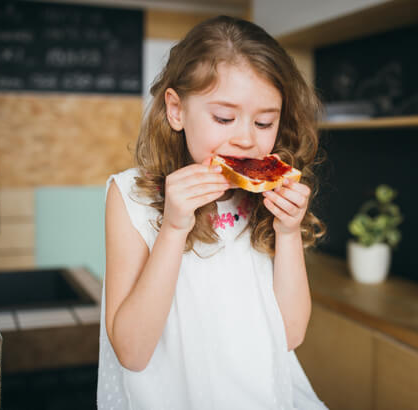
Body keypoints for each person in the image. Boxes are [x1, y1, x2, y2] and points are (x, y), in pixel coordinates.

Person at [98, 15, 328, 410]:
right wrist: (172, 229)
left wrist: (288, 234)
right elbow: (132, 353)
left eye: (264, 121)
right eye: (224, 118)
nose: (246, 138)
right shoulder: (130, 197)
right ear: (176, 110)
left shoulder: (267, 195)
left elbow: (289, 336)